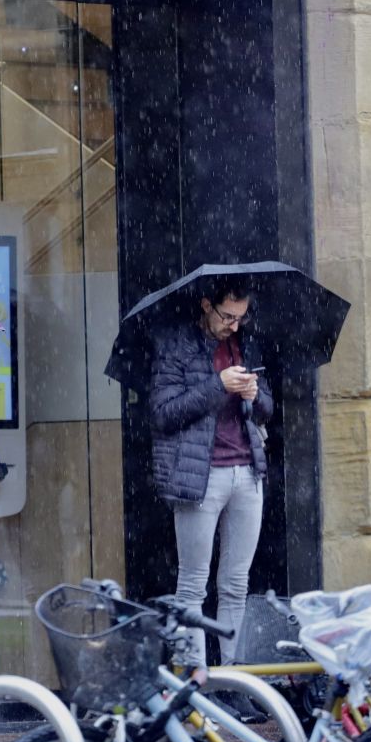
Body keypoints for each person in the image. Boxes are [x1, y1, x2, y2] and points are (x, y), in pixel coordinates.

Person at [149, 279, 273, 685]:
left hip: (246, 472)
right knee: (193, 587)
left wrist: (254, 395)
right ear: (207, 306)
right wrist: (216, 386)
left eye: (241, 317)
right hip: (200, 477)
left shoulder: (245, 344)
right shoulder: (177, 347)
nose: (234, 326)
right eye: (226, 316)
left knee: (237, 583)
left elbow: (267, 409)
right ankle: (195, 684)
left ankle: (234, 681)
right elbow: (164, 413)